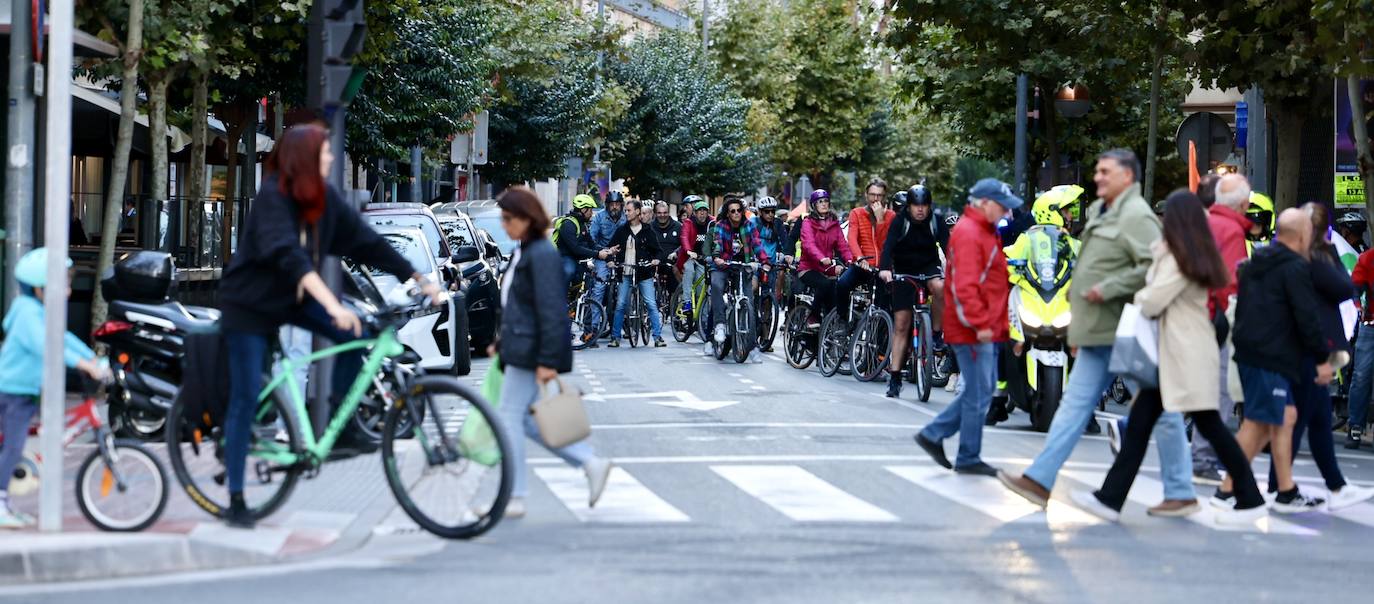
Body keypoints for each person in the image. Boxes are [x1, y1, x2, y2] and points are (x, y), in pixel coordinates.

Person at [217, 124, 442, 528]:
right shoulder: (274, 198)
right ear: (304, 157)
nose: (331, 158)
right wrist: (331, 305)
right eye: (324, 152)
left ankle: (342, 424)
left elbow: (365, 241)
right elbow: (289, 257)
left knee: (359, 330)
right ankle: (235, 497)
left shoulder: (322, 199)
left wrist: (419, 278)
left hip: (292, 300)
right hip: (248, 305)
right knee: (247, 394)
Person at [1000, 149, 1195, 512]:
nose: (1098, 177)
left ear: (1127, 176)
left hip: (1123, 328)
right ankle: (1040, 481)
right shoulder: (1104, 214)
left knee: (1160, 408)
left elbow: (1154, 266)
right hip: (1099, 330)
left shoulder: (1137, 217)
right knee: (1074, 406)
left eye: (1106, 171)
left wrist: (1107, 288)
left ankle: (1181, 489)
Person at [1070, 190, 1266, 525]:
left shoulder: (1180, 256)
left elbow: (1153, 300)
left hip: (1183, 355)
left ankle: (1249, 498)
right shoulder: (1192, 253)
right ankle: (1110, 498)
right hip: (1180, 354)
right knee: (1153, 426)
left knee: (1209, 428)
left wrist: (1142, 286)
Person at [494, 186, 612, 519]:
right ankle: (590, 463)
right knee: (525, 421)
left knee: (509, 417)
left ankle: (515, 495)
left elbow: (550, 308)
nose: (504, 225)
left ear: (525, 218)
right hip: (522, 345)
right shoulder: (527, 250)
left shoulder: (542, 253)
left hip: (531, 350)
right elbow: (517, 303)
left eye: (508, 219)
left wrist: (548, 361)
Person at [1211, 208, 1333, 515]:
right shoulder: (1295, 268)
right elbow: (1306, 316)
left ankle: (1286, 490)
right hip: (1272, 355)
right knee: (1257, 425)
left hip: (1255, 351)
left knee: (1285, 417)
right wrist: (1321, 358)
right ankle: (1227, 489)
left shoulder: (1254, 263)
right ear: (1303, 235)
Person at [1259, 203, 1373, 510]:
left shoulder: (1289, 257)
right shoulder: (1312, 258)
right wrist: (1323, 356)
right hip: (1310, 347)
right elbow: (1341, 288)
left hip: (1307, 345)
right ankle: (1277, 487)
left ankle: (1331, 486)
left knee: (1316, 418)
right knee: (1293, 421)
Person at [912, 179, 1021, 476]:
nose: (1005, 214)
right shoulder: (972, 233)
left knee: (979, 391)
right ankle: (955, 447)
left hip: (978, 325)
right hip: (972, 327)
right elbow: (965, 287)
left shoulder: (980, 230)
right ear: (985, 202)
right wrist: (981, 324)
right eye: (1001, 207)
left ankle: (948, 443)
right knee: (978, 392)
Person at [0, 248, 109, 528]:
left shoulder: (38, 310)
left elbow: (64, 338)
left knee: (16, 445)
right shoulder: (27, 314)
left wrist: (92, 359)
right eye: (62, 283)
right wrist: (83, 365)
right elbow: (46, 344)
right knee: (13, 448)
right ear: (39, 287)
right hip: (12, 391)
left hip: (23, 390)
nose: (68, 291)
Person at [1187, 173, 1254, 484]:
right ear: (1242, 204)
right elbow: (1229, 282)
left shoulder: (1204, 223)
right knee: (1220, 392)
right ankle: (1202, 458)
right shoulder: (1231, 231)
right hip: (1217, 321)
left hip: (1193, 317)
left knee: (1191, 391)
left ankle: (1199, 456)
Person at [878, 184, 949, 398]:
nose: (920, 210)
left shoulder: (936, 221)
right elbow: (888, 246)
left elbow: (949, 248)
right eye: (916, 206)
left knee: (940, 286)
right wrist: (884, 269)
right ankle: (896, 376)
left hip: (928, 266)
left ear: (929, 206)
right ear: (909, 206)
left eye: (924, 205)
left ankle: (936, 334)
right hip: (903, 270)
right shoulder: (900, 221)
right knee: (901, 324)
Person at [708, 197, 771, 345]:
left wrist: (765, 261)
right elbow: (717, 243)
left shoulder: (749, 226)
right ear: (728, 213)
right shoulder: (720, 226)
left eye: (739, 210)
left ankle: (751, 342)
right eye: (733, 211)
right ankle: (720, 325)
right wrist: (717, 257)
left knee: (748, 299)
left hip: (743, 266)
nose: (736, 213)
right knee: (716, 284)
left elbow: (757, 245)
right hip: (723, 265)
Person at [607, 200, 666, 348]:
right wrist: (609, 259)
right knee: (620, 305)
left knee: (651, 304)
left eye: (629, 210)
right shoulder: (621, 230)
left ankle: (657, 337)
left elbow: (658, 251)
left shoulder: (648, 230)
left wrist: (656, 260)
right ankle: (615, 337)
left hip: (644, 272)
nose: (626, 213)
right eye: (625, 211)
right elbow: (610, 248)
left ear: (638, 212)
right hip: (625, 272)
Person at [799, 189, 861, 320]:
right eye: (820, 202)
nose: (824, 204)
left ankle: (829, 326)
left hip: (828, 268)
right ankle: (813, 317)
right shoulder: (807, 222)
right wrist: (821, 258)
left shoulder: (834, 224)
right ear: (814, 205)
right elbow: (808, 244)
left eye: (826, 201)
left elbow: (843, 245)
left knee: (837, 292)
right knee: (825, 284)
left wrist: (850, 260)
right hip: (808, 268)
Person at [587, 191, 628, 334]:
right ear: (607, 205)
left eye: (617, 204)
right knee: (598, 288)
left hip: (622, 257)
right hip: (602, 256)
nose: (615, 207)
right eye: (612, 204)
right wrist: (605, 251)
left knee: (629, 285)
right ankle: (594, 328)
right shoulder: (599, 217)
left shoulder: (626, 217)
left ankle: (629, 324)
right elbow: (591, 240)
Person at [553, 194, 616, 285]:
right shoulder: (568, 225)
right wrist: (598, 254)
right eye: (590, 210)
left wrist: (607, 250)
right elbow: (576, 249)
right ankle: (560, 297)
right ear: (583, 210)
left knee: (592, 277)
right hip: (565, 257)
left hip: (578, 258)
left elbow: (592, 245)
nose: (591, 213)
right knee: (569, 271)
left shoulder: (582, 225)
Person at [1349, 241, 1374, 449]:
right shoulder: (1368, 258)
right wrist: (1358, 306)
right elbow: (1355, 286)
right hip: (1371, 323)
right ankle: (1355, 425)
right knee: (1361, 375)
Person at [848, 178, 896, 272]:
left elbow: (885, 245)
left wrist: (880, 220)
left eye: (879, 195)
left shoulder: (891, 216)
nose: (875, 199)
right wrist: (860, 257)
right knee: (842, 284)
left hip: (883, 268)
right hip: (861, 265)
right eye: (872, 195)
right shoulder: (856, 213)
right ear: (866, 195)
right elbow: (852, 238)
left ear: (884, 197)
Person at [678, 196, 713, 313]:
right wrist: (688, 250)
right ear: (695, 213)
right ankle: (686, 301)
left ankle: (701, 321)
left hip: (704, 259)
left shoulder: (712, 222)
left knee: (701, 288)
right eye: (699, 212)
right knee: (689, 270)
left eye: (705, 211)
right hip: (690, 257)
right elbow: (684, 237)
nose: (702, 214)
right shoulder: (688, 222)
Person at [650, 200, 682, 299]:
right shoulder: (649, 227)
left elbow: (684, 245)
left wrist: (676, 253)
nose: (662, 215)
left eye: (665, 213)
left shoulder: (678, 226)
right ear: (655, 214)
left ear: (669, 213)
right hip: (655, 263)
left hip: (673, 264)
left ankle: (679, 301)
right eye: (659, 213)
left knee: (677, 275)